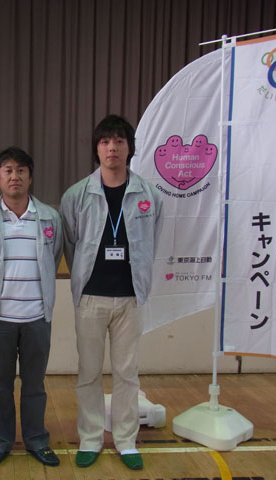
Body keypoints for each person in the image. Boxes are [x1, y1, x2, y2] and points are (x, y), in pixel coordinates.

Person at [60, 115, 163, 471]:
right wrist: (83, 280)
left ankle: (125, 440)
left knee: (127, 374)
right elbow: (71, 244)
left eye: (119, 141)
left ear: (129, 148)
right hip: (91, 298)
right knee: (88, 373)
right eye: (105, 142)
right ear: (97, 148)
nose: (112, 148)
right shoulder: (76, 195)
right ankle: (90, 438)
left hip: (131, 298)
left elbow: (152, 242)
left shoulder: (149, 195)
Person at [0, 146, 63, 469]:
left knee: (35, 385)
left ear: (30, 177)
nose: (15, 176)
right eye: (7, 170)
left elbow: (54, 258)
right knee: (0, 385)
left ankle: (37, 440)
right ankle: (0, 441)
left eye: (21, 170)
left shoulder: (50, 217)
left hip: (38, 317)